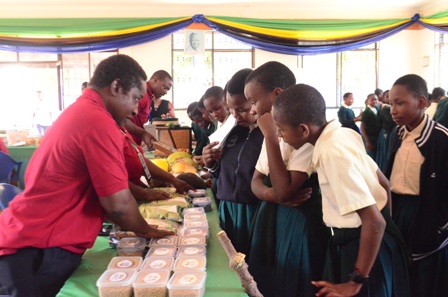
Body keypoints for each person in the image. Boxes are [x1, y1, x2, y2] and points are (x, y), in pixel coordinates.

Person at [0, 54, 174, 297]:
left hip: (33, 241)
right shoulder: (97, 121)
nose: (136, 109)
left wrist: (143, 197)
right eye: (135, 99)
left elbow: (111, 182)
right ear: (116, 87)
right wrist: (146, 230)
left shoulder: (84, 111)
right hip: (38, 248)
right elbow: (119, 205)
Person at [273, 83, 410, 297]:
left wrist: (355, 281)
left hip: (361, 247)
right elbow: (383, 184)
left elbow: (374, 221)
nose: (280, 136)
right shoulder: (343, 134)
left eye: (281, 130)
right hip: (373, 242)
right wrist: (382, 237)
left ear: (303, 129)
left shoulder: (331, 152)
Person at [244, 61, 324, 297]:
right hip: (271, 216)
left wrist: (269, 136)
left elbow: (286, 191)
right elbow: (256, 180)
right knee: (268, 279)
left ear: (276, 94)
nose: (252, 111)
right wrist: (272, 196)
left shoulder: (301, 131)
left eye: (253, 101)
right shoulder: (276, 129)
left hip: (298, 222)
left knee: (294, 281)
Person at [386, 74, 448, 297]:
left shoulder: (441, 139)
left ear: (422, 102)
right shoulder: (397, 134)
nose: (393, 110)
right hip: (398, 208)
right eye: (391, 103)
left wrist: (441, 225)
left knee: (425, 276)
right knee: (400, 268)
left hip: (426, 213)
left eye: (400, 103)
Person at [202, 69, 264, 256]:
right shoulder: (230, 131)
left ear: (255, 102)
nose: (235, 115)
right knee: (228, 255)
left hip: (254, 210)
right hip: (228, 207)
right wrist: (211, 163)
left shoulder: (268, 134)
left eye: (242, 109)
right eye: (231, 109)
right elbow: (223, 172)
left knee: (250, 260)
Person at [122, 128, 192, 202]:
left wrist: (172, 180)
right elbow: (113, 179)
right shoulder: (110, 133)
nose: (134, 115)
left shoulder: (122, 129)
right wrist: (143, 193)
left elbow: (140, 160)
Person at [124, 70, 173, 147]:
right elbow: (124, 120)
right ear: (155, 80)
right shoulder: (142, 94)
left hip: (135, 142)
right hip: (128, 142)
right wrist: (143, 133)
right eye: (165, 88)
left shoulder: (149, 96)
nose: (166, 92)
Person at [376, 90, 396, 173]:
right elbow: (390, 121)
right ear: (383, 98)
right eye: (387, 96)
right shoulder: (385, 109)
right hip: (386, 132)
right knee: (385, 153)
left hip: (391, 132)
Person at [360, 93, 381, 161]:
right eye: (372, 100)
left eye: (376, 99)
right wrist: (367, 140)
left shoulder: (377, 109)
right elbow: (362, 126)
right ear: (367, 101)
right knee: (370, 156)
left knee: (375, 155)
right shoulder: (367, 112)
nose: (374, 101)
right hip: (369, 137)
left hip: (376, 137)